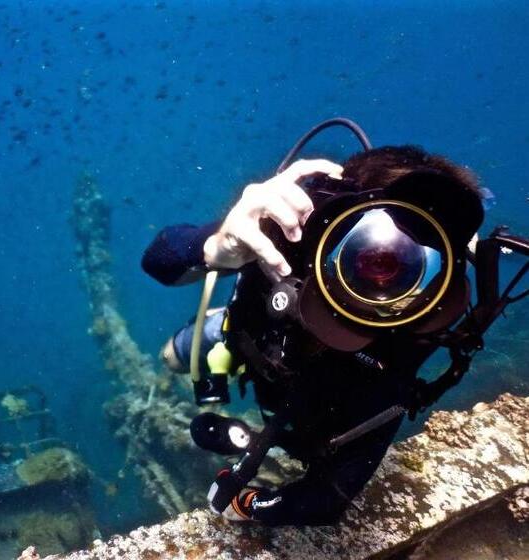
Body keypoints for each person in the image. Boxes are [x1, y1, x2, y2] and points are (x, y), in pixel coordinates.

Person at [140, 133, 501, 525]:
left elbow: (329, 497)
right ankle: (218, 325)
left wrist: (245, 505)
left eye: (412, 262)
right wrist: (217, 245)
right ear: (329, 216)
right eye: (367, 248)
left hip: (332, 388)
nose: (383, 266)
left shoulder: (408, 338)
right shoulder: (289, 236)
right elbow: (160, 261)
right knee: (174, 356)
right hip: (250, 333)